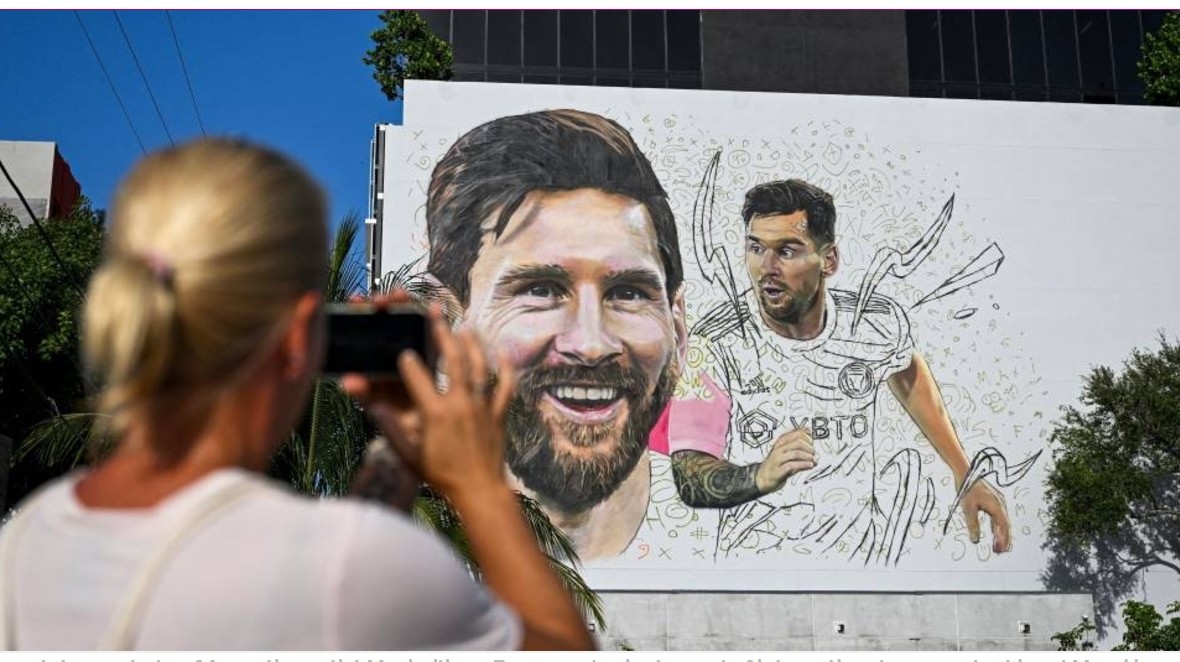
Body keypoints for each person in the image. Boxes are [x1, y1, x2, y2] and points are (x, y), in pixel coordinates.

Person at [0, 139, 594, 651]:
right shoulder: (345, 566)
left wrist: (395, 460)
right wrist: (479, 483)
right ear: (295, 336)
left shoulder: (27, 541)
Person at [668, 179, 1013, 564]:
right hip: (756, 570)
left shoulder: (873, 324)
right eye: (755, 248)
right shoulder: (717, 343)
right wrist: (759, 476)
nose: (766, 268)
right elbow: (688, 473)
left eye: (786, 251)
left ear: (828, 261)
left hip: (863, 569)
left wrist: (963, 473)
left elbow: (909, 375)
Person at [423, 109, 688, 559]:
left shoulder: (759, 543)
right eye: (540, 290)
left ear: (678, 332)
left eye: (627, 292)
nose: (590, 345)